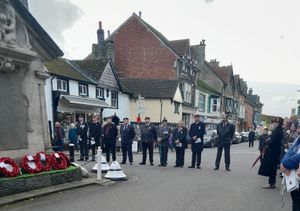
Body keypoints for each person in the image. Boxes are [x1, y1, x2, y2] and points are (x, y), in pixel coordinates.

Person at [258, 117, 284, 189]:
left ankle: (271, 183)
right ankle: (271, 183)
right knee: (272, 168)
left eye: (275, 122)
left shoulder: (278, 131)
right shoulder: (276, 130)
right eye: (273, 122)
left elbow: (273, 141)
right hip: (273, 152)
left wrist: (267, 141)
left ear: (278, 123)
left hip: (273, 152)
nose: (273, 123)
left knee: (272, 168)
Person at [280, 125, 300, 211]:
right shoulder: (298, 138)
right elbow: (290, 151)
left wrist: (285, 163)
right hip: (295, 177)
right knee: (295, 201)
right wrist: (283, 162)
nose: (298, 129)